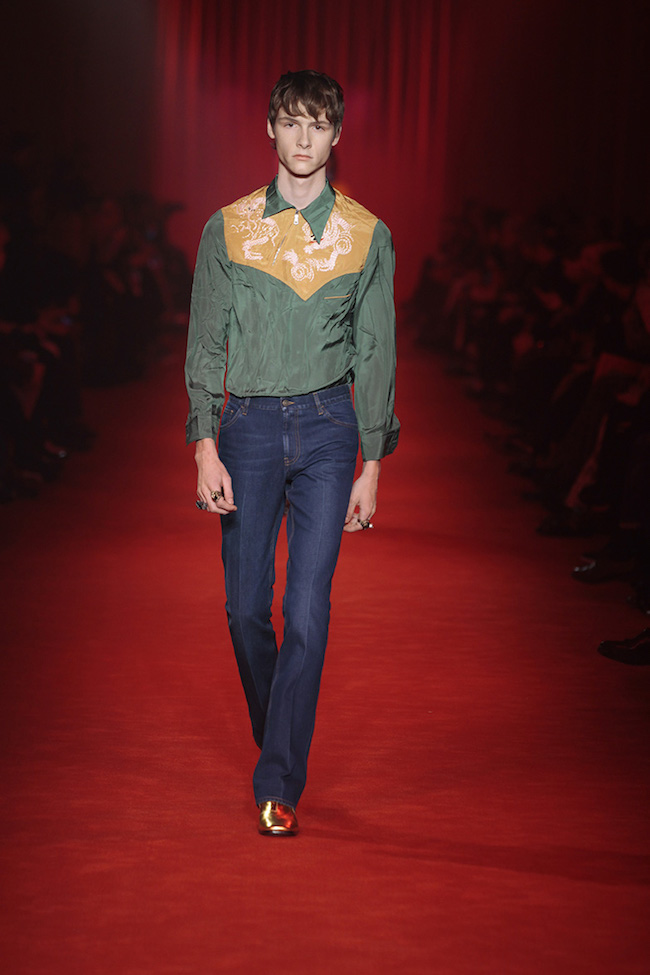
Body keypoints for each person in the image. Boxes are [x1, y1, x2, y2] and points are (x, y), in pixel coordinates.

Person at [184, 70, 399, 835]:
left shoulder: (368, 235)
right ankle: (281, 724)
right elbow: (206, 341)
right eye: (291, 121)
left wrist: (372, 462)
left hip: (328, 428)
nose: (304, 137)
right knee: (246, 611)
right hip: (245, 428)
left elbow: (376, 351)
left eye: (318, 123)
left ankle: (278, 779)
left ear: (337, 134)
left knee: (307, 611)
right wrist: (204, 444)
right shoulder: (228, 228)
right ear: (270, 128)